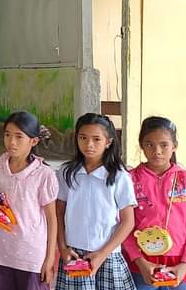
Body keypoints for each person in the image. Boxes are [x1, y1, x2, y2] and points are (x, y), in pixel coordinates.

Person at [56, 113, 137, 290]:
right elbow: (59, 212)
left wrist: (102, 254)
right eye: (83, 138)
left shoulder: (119, 176)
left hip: (107, 254)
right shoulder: (66, 172)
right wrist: (62, 247)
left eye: (96, 139)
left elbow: (128, 221)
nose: (89, 144)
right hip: (74, 254)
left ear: (108, 142)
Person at [124, 117, 186, 290]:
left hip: (180, 264)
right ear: (141, 145)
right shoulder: (129, 180)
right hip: (142, 264)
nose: (157, 151)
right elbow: (124, 225)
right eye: (150, 144)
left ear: (174, 146)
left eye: (164, 145)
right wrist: (139, 261)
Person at [0, 111, 59, 290]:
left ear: (34, 141)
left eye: (19, 136)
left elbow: (52, 219)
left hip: (32, 257)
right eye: (7, 135)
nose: (12, 142)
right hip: (4, 252)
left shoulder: (43, 174)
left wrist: (49, 259)